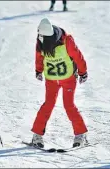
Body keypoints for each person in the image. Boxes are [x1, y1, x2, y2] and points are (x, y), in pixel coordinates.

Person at [31, 18, 88, 148]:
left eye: (42, 36)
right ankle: (37, 135)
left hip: (68, 78)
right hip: (51, 79)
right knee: (48, 104)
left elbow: (78, 56)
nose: (40, 38)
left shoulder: (66, 40)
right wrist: (38, 70)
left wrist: (82, 72)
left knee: (69, 105)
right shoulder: (41, 41)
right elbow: (39, 56)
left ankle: (81, 134)